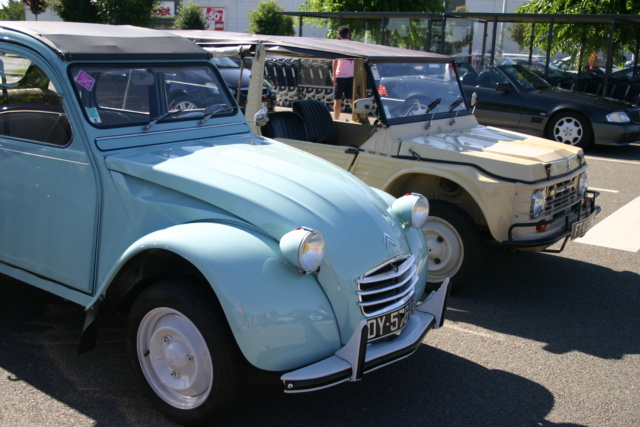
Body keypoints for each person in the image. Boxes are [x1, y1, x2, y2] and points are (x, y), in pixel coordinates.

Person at [332, 26, 353, 120]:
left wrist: (333, 75)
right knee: (351, 99)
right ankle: (357, 118)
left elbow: (335, 60)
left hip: (340, 75)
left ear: (339, 35)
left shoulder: (338, 45)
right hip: (351, 75)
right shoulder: (353, 45)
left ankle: (336, 119)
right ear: (348, 34)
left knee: (337, 99)